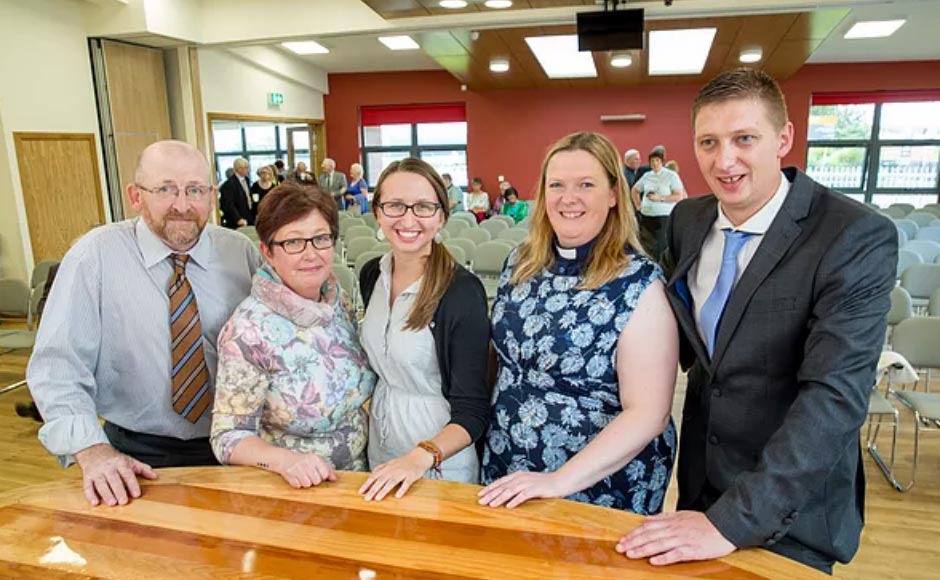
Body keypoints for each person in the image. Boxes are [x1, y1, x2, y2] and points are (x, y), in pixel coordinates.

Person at [616, 68, 897, 573]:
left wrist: (733, 521)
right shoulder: (688, 220)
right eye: (708, 141)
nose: (724, 161)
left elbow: (833, 398)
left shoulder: (854, 235)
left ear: (783, 138)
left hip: (791, 507)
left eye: (745, 138)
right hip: (699, 486)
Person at [26, 140, 259, 507]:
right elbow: (58, 369)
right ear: (136, 196)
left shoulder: (239, 253)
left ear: (212, 195)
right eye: (165, 189)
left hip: (242, 447)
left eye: (195, 190)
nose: (182, 205)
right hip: (140, 456)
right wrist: (92, 451)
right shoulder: (94, 258)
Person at [479, 132, 678, 514]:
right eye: (556, 185)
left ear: (613, 194)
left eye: (586, 184)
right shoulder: (519, 264)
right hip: (508, 468)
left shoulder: (639, 282)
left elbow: (649, 412)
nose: (568, 198)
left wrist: (557, 482)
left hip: (597, 486)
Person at [211, 182, 376, 488]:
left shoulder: (337, 299)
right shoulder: (248, 331)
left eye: (320, 239)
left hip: (358, 480)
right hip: (294, 490)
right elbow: (227, 437)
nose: (311, 254)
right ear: (267, 252)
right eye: (294, 243)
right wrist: (287, 462)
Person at [357, 158, 490, 501]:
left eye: (424, 207)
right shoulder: (372, 274)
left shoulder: (461, 291)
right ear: (377, 212)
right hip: (382, 451)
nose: (408, 218)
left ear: (442, 216)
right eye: (395, 205)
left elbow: (473, 412)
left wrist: (419, 458)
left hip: (437, 462)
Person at [631, 148, 686, 260]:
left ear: (662, 162)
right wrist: (638, 205)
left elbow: (678, 195)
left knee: (661, 247)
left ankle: (662, 270)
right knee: (646, 246)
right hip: (646, 216)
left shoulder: (671, 175)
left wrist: (660, 198)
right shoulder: (647, 175)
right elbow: (635, 190)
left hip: (663, 217)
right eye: (652, 161)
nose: (654, 163)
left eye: (657, 160)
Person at [219, 157, 254, 228]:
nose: (248, 170)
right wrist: (238, 218)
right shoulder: (229, 184)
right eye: (246, 167)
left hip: (248, 217)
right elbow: (228, 204)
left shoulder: (246, 180)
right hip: (237, 221)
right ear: (238, 169)